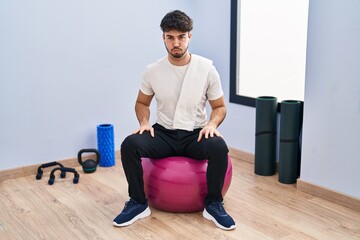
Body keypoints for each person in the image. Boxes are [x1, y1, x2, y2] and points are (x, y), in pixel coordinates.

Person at [113, 10, 236, 231]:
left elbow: (219, 107)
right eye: (170, 37)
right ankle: (139, 203)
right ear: (163, 38)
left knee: (219, 146)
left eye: (181, 37)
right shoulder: (152, 71)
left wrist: (211, 125)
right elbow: (141, 103)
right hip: (164, 134)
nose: (176, 43)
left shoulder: (207, 69)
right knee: (129, 145)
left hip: (195, 133)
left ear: (190, 36)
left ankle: (214, 204)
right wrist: (144, 123)